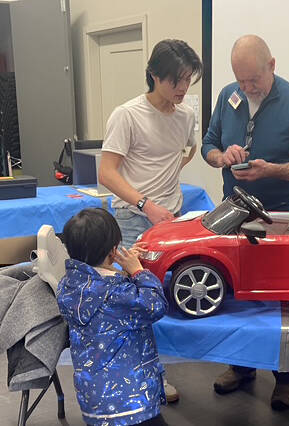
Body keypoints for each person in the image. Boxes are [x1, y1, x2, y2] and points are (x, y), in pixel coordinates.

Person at [202, 34, 289, 410]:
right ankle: (241, 366)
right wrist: (222, 157)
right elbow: (208, 146)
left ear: (272, 65)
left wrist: (271, 170)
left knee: (281, 297)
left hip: (281, 214)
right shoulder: (226, 96)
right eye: (240, 80)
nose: (246, 87)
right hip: (235, 210)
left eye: (253, 79)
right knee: (238, 294)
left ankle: (287, 378)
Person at [98, 38, 202, 402]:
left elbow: (185, 152)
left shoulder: (186, 115)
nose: (183, 88)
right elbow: (106, 173)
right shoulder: (127, 114)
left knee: (162, 298)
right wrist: (146, 202)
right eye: (176, 80)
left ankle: (158, 370)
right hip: (132, 219)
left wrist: (165, 195)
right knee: (132, 302)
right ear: (154, 75)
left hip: (169, 219)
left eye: (188, 80)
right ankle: (141, 377)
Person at [56, 208, 169, 426]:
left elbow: (99, 281)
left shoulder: (68, 285)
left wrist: (119, 268)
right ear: (113, 250)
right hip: (132, 400)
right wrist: (138, 271)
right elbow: (155, 304)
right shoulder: (117, 294)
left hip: (94, 399)